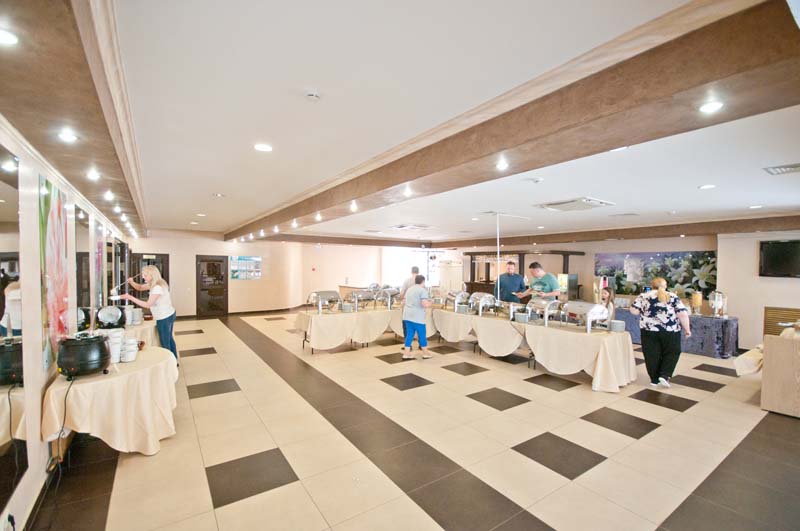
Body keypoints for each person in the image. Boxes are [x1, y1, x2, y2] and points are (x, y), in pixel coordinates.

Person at [630, 277, 691, 388]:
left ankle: (654, 379)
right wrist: (687, 330)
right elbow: (682, 314)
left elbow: (634, 311)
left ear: (651, 285)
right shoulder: (672, 296)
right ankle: (665, 374)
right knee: (672, 352)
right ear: (665, 286)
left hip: (648, 330)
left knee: (651, 354)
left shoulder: (643, 296)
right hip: (670, 330)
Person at [121, 265, 178, 361]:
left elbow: (148, 305)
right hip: (169, 313)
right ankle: (174, 360)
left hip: (164, 317)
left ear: (152, 275)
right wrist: (132, 282)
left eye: (145, 275)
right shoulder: (157, 283)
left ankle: (169, 363)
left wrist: (130, 297)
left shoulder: (157, 287)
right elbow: (139, 287)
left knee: (165, 342)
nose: (143, 277)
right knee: (169, 339)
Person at [402, 275, 433, 360]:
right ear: (423, 281)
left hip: (407, 315)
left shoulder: (409, 289)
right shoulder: (422, 290)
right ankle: (426, 353)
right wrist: (431, 303)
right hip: (417, 317)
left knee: (409, 335)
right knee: (422, 335)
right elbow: (424, 304)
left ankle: (406, 354)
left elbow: (403, 302)